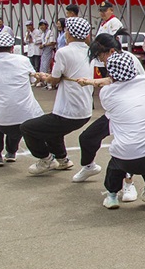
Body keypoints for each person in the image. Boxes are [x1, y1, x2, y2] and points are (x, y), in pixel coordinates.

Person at [76, 53, 145, 210]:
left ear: (111, 72)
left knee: (118, 160)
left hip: (129, 160)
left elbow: (114, 93)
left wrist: (103, 82)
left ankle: (112, 195)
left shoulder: (107, 93)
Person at [22, 17, 94, 175]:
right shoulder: (90, 52)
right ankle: (63, 160)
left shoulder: (64, 52)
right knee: (53, 130)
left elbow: (54, 80)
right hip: (85, 110)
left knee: (27, 128)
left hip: (69, 111)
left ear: (68, 34)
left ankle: (46, 159)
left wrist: (43, 77)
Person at [0, 31, 43, 167]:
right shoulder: (23, 60)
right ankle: (11, 152)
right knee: (18, 111)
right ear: (12, 48)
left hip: (2, 120)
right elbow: (33, 79)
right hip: (26, 117)